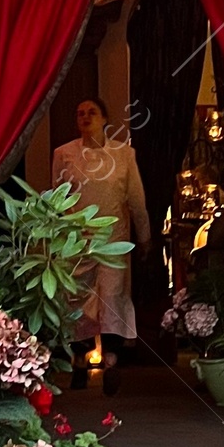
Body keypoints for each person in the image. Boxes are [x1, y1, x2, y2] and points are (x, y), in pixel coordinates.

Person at [52, 96, 151, 396]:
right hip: (76, 241)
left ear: (105, 119)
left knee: (111, 297)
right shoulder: (64, 153)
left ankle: (111, 363)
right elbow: (55, 200)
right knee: (77, 301)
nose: (85, 117)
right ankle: (80, 362)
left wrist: (144, 237)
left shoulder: (124, 155)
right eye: (79, 113)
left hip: (113, 240)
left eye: (91, 112)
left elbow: (136, 200)